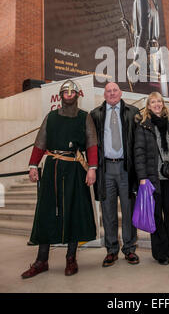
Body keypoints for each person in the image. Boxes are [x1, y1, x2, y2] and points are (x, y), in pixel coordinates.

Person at [21, 80, 98, 279]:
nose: (69, 94)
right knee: (47, 213)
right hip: (53, 168)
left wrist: (92, 168)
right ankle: (41, 260)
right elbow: (40, 142)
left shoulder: (84, 117)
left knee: (73, 211)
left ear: (77, 95)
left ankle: (71, 258)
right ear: (61, 95)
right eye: (66, 91)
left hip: (74, 169)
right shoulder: (52, 117)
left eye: (73, 91)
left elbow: (91, 145)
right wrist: (32, 165)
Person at [90, 82, 140, 267]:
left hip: (126, 169)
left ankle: (129, 249)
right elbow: (91, 143)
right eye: (108, 91)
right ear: (104, 95)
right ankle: (111, 250)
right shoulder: (95, 114)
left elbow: (138, 142)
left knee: (128, 211)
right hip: (106, 170)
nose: (112, 94)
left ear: (121, 93)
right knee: (108, 211)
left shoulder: (133, 112)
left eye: (115, 90)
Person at [134, 92, 169, 265]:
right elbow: (139, 152)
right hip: (153, 177)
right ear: (148, 106)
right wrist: (142, 177)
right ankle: (160, 252)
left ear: (163, 104)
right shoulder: (143, 125)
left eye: (159, 101)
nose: (157, 104)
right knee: (156, 216)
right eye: (153, 102)